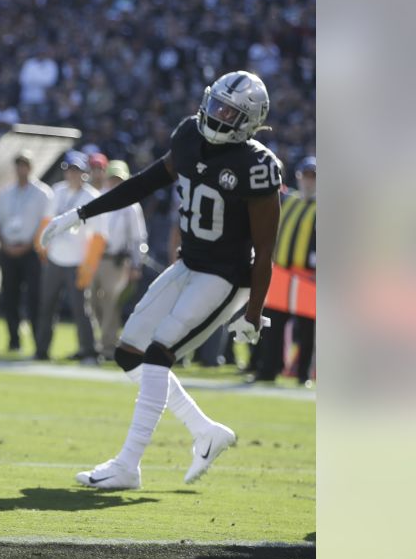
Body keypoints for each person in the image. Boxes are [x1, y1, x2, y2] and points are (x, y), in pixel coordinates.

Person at [42, 70, 281, 489]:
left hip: (226, 276)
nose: (218, 115)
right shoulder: (189, 134)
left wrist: (253, 311)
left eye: (230, 112)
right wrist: (79, 213)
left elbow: (265, 251)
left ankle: (128, 465)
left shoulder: (257, 166)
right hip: (189, 264)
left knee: (157, 354)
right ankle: (206, 432)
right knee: (129, 352)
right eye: (217, 105)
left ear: (249, 120)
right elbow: (144, 183)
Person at [250, 156, 315, 384]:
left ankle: (302, 375)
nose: (309, 182)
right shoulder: (290, 201)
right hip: (281, 274)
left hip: (308, 276)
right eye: (305, 176)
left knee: (307, 329)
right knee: (272, 326)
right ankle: (267, 370)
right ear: (299, 177)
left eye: (313, 178)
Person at [34, 151, 99, 361]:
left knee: (81, 310)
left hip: (77, 260)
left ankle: (88, 351)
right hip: (55, 257)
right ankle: (41, 350)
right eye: (69, 170)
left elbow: (98, 234)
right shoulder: (58, 191)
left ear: (84, 173)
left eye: (76, 170)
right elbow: (46, 222)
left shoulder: (91, 197)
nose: (71, 174)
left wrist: (89, 264)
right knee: (46, 306)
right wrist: (42, 249)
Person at [88, 160, 147, 364]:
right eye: (113, 178)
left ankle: (107, 346)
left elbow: (137, 238)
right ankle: (102, 341)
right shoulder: (96, 196)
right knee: (93, 302)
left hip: (116, 260)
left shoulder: (131, 206)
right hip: (94, 258)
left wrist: (136, 264)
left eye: (119, 179)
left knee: (111, 303)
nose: (115, 182)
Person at [0, 152, 51, 352]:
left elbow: (45, 225)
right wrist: (6, 246)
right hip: (8, 250)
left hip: (32, 251)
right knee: (10, 297)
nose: (21, 169)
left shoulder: (42, 193)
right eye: (18, 165)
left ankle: (38, 342)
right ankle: (13, 341)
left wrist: (27, 246)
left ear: (31, 167)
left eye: (25, 165)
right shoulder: (7, 192)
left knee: (34, 298)